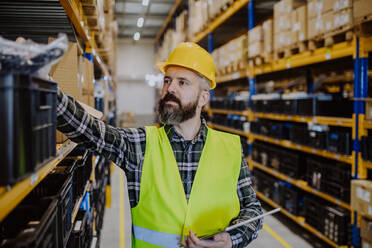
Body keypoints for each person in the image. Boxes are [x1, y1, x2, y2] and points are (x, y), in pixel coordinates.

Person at [56, 42, 262, 248]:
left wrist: (230, 240)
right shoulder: (140, 145)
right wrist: (47, 90)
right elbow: (90, 131)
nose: (170, 88)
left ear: (203, 98)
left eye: (182, 83)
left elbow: (252, 209)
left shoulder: (230, 148)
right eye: (167, 80)